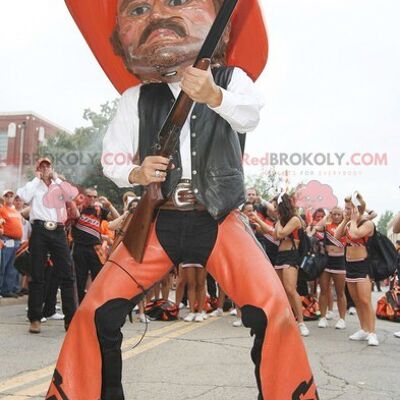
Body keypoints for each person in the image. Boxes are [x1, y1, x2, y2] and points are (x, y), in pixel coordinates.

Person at [46, 1, 318, 399]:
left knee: (274, 311)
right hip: (159, 222)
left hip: (220, 219)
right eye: (141, 7)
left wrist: (214, 95)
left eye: (176, 1)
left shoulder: (231, 78)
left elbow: (250, 115)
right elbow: (113, 158)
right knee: (93, 312)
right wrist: (137, 173)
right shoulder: (134, 98)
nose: (159, 15)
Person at [17, 157, 77, 334]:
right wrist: (37, 178)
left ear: (52, 168)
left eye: (48, 166)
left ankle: (71, 319)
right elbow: (24, 196)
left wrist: (56, 178)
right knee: (37, 275)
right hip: (40, 230)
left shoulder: (59, 186)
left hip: (58, 230)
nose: (45, 169)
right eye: (42, 166)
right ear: (37, 168)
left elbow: (71, 196)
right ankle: (35, 319)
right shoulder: (34, 186)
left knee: (67, 274)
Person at [335, 192, 378, 346]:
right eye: (345, 208)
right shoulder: (348, 223)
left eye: (348, 208)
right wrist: (346, 220)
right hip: (350, 265)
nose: (345, 211)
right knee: (357, 300)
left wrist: (352, 220)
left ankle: (372, 333)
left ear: (357, 208)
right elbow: (336, 236)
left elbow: (355, 234)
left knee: (365, 300)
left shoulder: (367, 223)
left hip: (363, 265)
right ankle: (363, 329)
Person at [273, 193, 310, 337]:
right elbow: (275, 236)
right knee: (281, 290)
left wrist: (277, 221)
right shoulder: (282, 220)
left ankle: (301, 322)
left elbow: (281, 233)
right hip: (280, 256)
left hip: (291, 256)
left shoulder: (295, 219)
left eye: (277, 207)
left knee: (290, 289)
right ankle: (287, 319)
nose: (275, 209)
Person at [314, 207, 347, 329]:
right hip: (326, 261)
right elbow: (314, 229)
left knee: (340, 292)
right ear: (331, 215)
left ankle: (342, 319)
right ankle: (322, 317)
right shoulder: (326, 225)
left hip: (340, 261)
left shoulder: (345, 226)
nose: (337, 216)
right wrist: (324, 218)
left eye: (339, 214)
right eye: (334, 214)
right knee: (323, 290)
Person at [0, 189, 23, 298]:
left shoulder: (15, 211)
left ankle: (8, 289)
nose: (9, 197)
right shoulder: (1, 209)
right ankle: (2, 289)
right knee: (4, 265)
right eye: (6, 196)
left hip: (17, 241)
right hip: (7, 239)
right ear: (3, 198)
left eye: (11, 196)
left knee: (13, 266)